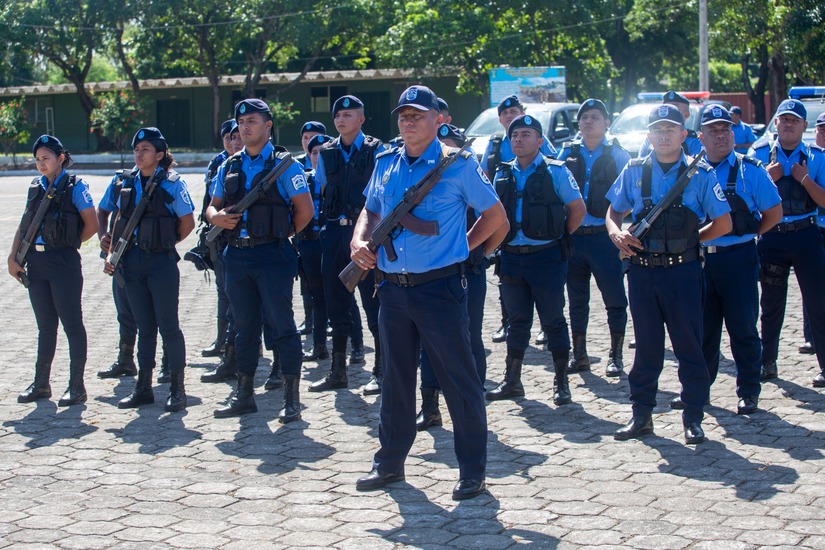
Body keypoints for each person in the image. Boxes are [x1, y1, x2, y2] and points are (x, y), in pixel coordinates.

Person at [352, 85, 508, 500]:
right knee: (395, 378)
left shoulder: (458, 165)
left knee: (459, 380)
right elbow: (371, 209)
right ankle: (389, 463)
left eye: (417, 115)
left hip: (439, 288)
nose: (408, 121)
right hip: (392, 290)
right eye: (403, 115)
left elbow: (495, 215)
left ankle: (472, 470)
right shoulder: (386, 162)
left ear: (438, 120)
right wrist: (358, 241)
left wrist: (463, 248)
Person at [606, 104, 732, 445]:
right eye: (658, 130)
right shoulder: (634, 170)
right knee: (646, 347)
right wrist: (616, 233)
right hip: (643, 274)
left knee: (689, 347)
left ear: (683, 135)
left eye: (671, 129)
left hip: (683, 273)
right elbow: (613, 211)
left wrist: (690, 242)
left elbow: (724, 223)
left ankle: (693, 417)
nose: (664, 135)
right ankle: (641, 416)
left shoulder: (700, 174)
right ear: (649, 136)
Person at [207, 98, 314, 422]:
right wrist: (215, 218)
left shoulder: (286, 165)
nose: (245, 127)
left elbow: (305, 211)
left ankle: (291, 399)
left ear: (268, 126)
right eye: (241, 122)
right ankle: (244, 395)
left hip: (272, 256)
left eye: (252, 121)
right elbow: (213, 205)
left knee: (282, 325)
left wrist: (279, 233)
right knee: (243, 327)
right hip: (236, 256)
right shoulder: (229, 165)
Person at [484, 114, 586, 405]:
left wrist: (558, 235)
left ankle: (561, 382)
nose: (519, 139)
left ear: (540, 141)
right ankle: (512, 381)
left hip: (547, 258)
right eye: (515, 135)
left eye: (526, 134)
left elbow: (577, 209)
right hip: (512, 258)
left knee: (553, 320)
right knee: (516, 320)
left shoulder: (556, 171)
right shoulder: (502, 172)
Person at [687, 105, 781, 415]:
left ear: (733, 133)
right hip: (700, 260)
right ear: (701, 136)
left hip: (738, 259)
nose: (720, 135)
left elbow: (773, 213)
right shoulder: (689, 172)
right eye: (712, 130)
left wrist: (749, 234)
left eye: (725, 129)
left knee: (743, 327)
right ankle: (700, 391)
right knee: (703, 330)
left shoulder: (749, 170)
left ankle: (749, 391)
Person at [103, 128, 196, 412]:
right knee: (145, 327)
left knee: (168, 326)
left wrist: (163, 241)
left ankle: (177, 389)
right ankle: (143, 387)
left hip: (160, 263)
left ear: (159, 154)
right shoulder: (125, 181)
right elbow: (114, 216)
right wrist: (111, 249)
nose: (139, 154)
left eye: (145, 149)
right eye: (136, 149)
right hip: (131, 262)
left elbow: (187, 222)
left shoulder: (172, 183)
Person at [9, 135, 98, 406]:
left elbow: (92, 224)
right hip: (37, 263)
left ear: (61, 158)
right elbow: (25, 225)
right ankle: (41, 383)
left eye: (46, 158)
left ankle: (76, 386)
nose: (41, 164)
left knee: (72, 324)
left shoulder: (75, 187)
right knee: (45, 326)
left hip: (63, 263)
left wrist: (67, 243)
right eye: (37, 159)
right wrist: (13, 257)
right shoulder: (36, 187)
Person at [416, 123, 489, 430]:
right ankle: (430, 406)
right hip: (432, 274)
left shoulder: (469, 175)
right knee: (428, 342)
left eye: (451, 146)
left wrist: (469, 250)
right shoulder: (423, 178)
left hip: (468, 270)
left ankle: (474, 406)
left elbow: (498, 222)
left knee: (469, 338)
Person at [312, 95, 385, 395]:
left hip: (366, 236)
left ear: (361, 119)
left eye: (348, 115)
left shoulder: (377, 151)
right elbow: (322, 190)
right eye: (338, 116)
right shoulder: (327, 152)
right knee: (336, 303)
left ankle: (381, 371)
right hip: (334, 234)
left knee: (373, 304)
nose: (341, 120)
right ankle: (338, 372)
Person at [750, 99, 825, 388]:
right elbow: (746, 198)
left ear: (804, 125)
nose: (789, 124)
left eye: (795, 120)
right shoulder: (759, 153)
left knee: (818, 302)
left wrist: (804, 180)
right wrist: (768, 177)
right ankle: (767, 362)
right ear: (776, 123)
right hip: (772, 235)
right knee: (770, 303)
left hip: (806, 234)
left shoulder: (817, 156)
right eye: (784, 119)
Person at [557, 99, 631, 377]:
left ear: (606, 123)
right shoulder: (567, 153)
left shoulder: (618, 155)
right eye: (584, 117)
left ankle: (615, 356)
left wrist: (616, 222)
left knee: (614, 298)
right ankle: (580, 356)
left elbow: (631, 194)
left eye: (595, 117)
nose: (588, 122)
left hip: (604, 239)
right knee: (577, 300)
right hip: (575, 238)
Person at [481, 94, 556, 346]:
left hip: (538, 224)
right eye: (504, 113)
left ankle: (545, 327)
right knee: (507, 284)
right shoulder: (495, 144)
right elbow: (485, 177)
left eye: (513, 111)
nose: (509, 116)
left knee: (545, 290)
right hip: (507, 226)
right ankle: (507, 323)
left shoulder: (536, 138)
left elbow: (554, 170)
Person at [199, 119, 237, 359]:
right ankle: (222, 339)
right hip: (218, 235)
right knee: (223, 289)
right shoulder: (218, 164)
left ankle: (246, 341)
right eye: (229, 138)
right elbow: (209, 200)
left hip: (242, 236)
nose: (234, 142)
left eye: (237, 137)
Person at [298, 133, 333, 362]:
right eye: (314, 152)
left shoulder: (338, 181)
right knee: (317, 296)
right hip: (310, 244)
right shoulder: (305, 180)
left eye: (323, 152)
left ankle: (356, 348)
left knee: (344, 297)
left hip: (332, 245)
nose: (318, 157)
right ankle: (320, 346)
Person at [797, 111, 825, 356]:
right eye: (822, 130)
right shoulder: (809, 157)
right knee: (812, 286)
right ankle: (811, 337)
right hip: (815, 226)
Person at [638, 91, 703, 157]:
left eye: (674, 108)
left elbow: (696, 162)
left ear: (686, 115)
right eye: (665, 108)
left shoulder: (693, 141)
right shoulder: (650, 139)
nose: (668, 112)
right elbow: (642, 161)